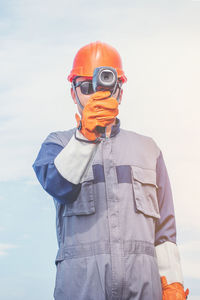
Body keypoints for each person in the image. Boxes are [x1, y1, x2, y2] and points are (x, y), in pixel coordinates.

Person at [32, 41, 189, 300]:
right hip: (81, 290)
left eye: (105, 82)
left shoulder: (149, 150)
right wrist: (85, 137)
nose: (96, 93)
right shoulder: (57, 145)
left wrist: (172, 284)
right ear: (73, 94)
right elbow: (59, 184)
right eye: (86, 86)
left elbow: (164, 231)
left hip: (144, 290)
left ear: (121, 91)